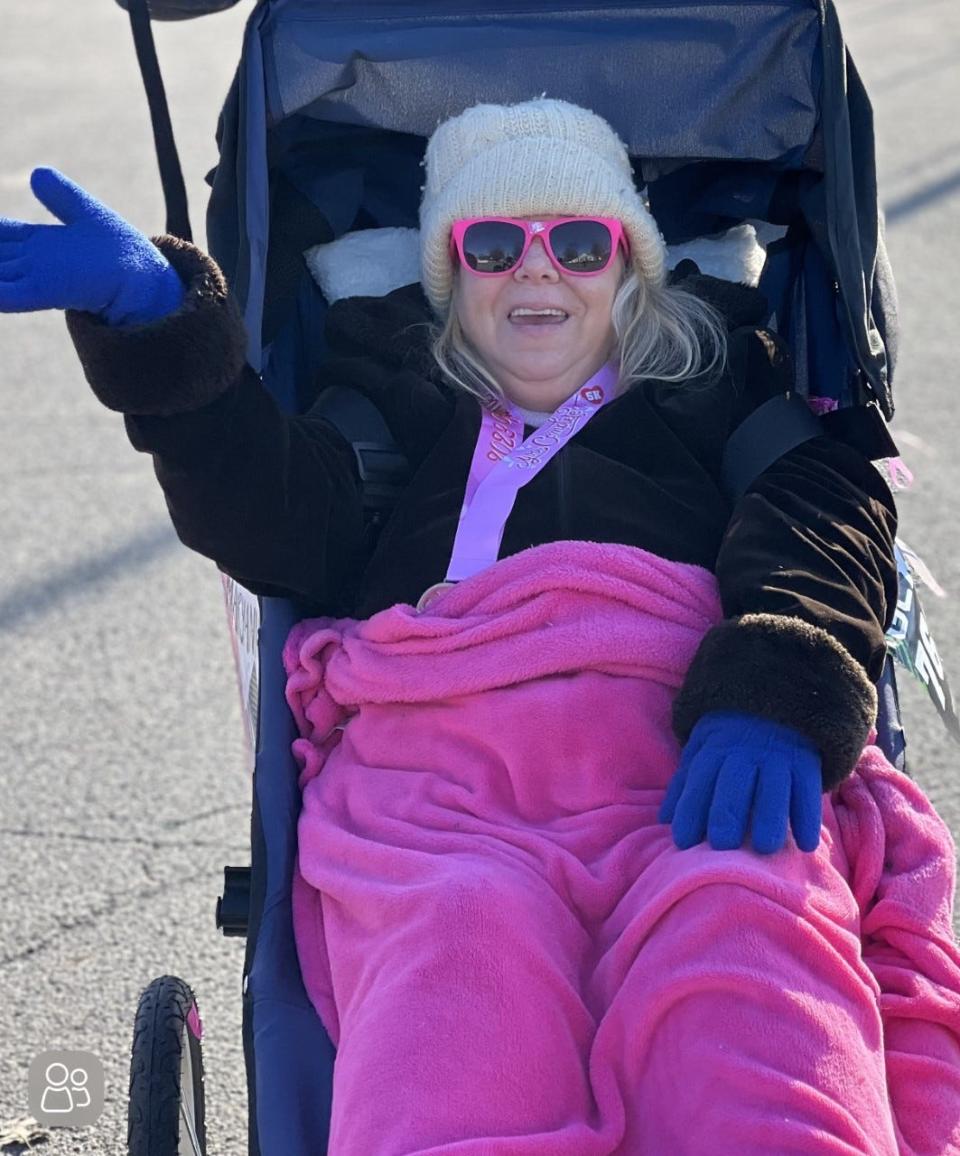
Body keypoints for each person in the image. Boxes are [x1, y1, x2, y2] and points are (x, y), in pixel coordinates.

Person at [3, 98, 960, 1154]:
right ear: (451, 285)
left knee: (746, 923)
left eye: (581, 243)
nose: (538, 270)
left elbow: (824, 510)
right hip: (442, 789)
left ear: (629, 270)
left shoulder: (715, 396)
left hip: (686, 757)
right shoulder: (388, 417)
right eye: (494, 245)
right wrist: (163, 333)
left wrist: (780, 685)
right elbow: (269, 514)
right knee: (458, 940)